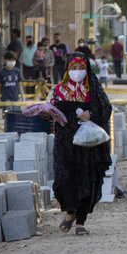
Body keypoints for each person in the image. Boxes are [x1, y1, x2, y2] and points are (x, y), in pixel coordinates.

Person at [48, 53, 112, 236]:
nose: (78, 72)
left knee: (87, 179)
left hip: (88, 145)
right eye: (74, 68)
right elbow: (53, 109)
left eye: (81, 68)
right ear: (68, 69)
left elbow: (105, 108)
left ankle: (80, 221)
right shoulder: (59, 90)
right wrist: (46, 113)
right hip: (65, 143)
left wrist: (91, 114)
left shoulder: (93, 90)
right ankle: (70, 213)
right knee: (64, 180)